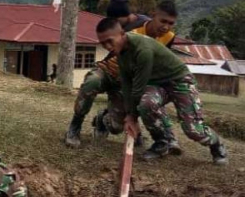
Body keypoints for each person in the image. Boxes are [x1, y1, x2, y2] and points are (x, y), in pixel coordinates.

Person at [95, 18, 228, 165]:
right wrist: (129, 114)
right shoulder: (120, 53)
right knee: (146, 104)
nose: (107, 46)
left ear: (121, 34)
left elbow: (138, 87)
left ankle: (216, 144)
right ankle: (162, 142)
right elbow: (127, 84)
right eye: (103, 43)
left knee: (193, 130)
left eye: (110, 41)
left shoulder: (142, 49)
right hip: (158, 84)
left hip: (180, 81)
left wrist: (132, 117)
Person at [64, 0, 179, 152]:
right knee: (93, 81)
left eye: (170, 23)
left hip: (127, 80)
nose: (165, 27)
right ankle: (75, 126)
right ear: (154, 16)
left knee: (117, 126)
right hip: (110, 70)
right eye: (162, 21)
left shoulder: (167, 36)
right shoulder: (133, 30)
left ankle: (103, 119)